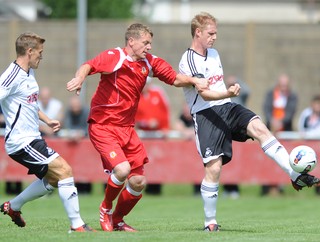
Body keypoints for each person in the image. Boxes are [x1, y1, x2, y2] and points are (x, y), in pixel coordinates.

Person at [178, 12, 320, 232]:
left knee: (260, 128)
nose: (215, 37)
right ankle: (210, 223)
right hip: (205, 113)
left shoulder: (214, 53)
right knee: (214, 168)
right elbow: (205, 95)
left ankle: (295, 175)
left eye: (216, 33)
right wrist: (228, 91)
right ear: (198, 32)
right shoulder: (188, 60)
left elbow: (217, 89)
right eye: (211, 33)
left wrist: (227, 94)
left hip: (226, 106)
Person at [67, 23, 209, 232]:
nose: (149, 47)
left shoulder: (148, 62)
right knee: (122, 170)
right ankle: (105, 208)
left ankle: (117, 219)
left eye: (150, 43)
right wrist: (79, 78)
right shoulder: (115, 56)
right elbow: (89, 66)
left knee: (138, 182)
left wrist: (194, 81)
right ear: (131, 41)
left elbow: (175, 78)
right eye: (145, 43)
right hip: (103, 125)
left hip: (127, 129)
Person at [0, 32, 94, 232]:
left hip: (33, 138)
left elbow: (29, 103)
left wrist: (47, 119)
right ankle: (77, 225)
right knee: (65, 171)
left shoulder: (29, 73)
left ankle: (13, 206)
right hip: (20, 141)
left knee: (53, 179)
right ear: (29, 51)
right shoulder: (11, 75)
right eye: (40, 53)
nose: (41, 57)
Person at [262, 73, 298, 195]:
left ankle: (283, 185)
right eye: (281, 85)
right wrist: (272, 121)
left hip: (285, 131)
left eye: (285, 85)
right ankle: (267, 186)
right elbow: (266, 108)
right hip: (270, 131)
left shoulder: (292, 96)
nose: (283, 88)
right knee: (269, 159)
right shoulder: (271, 94)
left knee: (284, 158)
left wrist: (280, 123)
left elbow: (291, 112)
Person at [136, 78, 171, 195]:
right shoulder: (135, 96)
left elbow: (165, 111)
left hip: (158, 134)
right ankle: (141, 185)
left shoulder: (157, 93)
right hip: (143, 135)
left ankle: (156, 188)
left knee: (157, 160)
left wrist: (165, 127)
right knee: (143, 160)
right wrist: (145, 122)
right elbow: (134, 117)